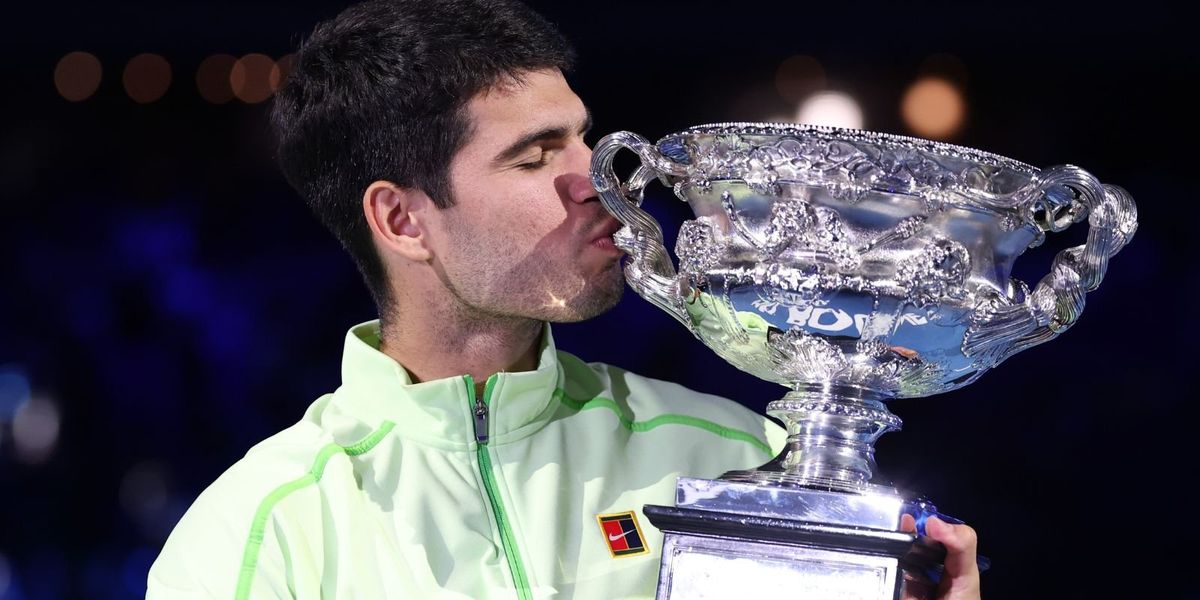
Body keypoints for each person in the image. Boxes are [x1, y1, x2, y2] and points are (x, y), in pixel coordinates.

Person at [146, 0, 981, 598]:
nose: (600, 183)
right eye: (535, 156)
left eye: (583, 134)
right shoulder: (263, 534)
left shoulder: (737, 454)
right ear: (402, 220)